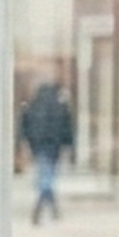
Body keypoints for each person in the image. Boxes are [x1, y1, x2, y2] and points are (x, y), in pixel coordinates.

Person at [19, 76, 76, 224]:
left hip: (38, 146)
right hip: (54, 146)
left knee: (44, 172)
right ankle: (46, 202)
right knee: (49, 173)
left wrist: (24, 144)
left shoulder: (32, 105)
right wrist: (70, 148)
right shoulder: (60, 106)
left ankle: (45, 202)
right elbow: (68, 129)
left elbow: (24, 126)